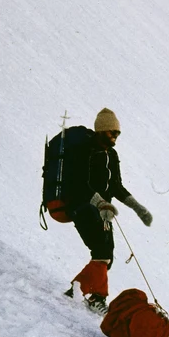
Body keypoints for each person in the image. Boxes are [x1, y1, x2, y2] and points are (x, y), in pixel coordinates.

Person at [64, 108, 154, 314]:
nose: (115, 136)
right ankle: (97, 297)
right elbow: (79, 184)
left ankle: (76, 291)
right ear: (101, 130)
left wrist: (137, 207)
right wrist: (101, 203)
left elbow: (116, 186)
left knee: (107, 257)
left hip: (103, 212)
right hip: (81, 206)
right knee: (101, 252)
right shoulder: (84, 151)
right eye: (112, 132)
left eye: (118, 133)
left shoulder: (111, 155)